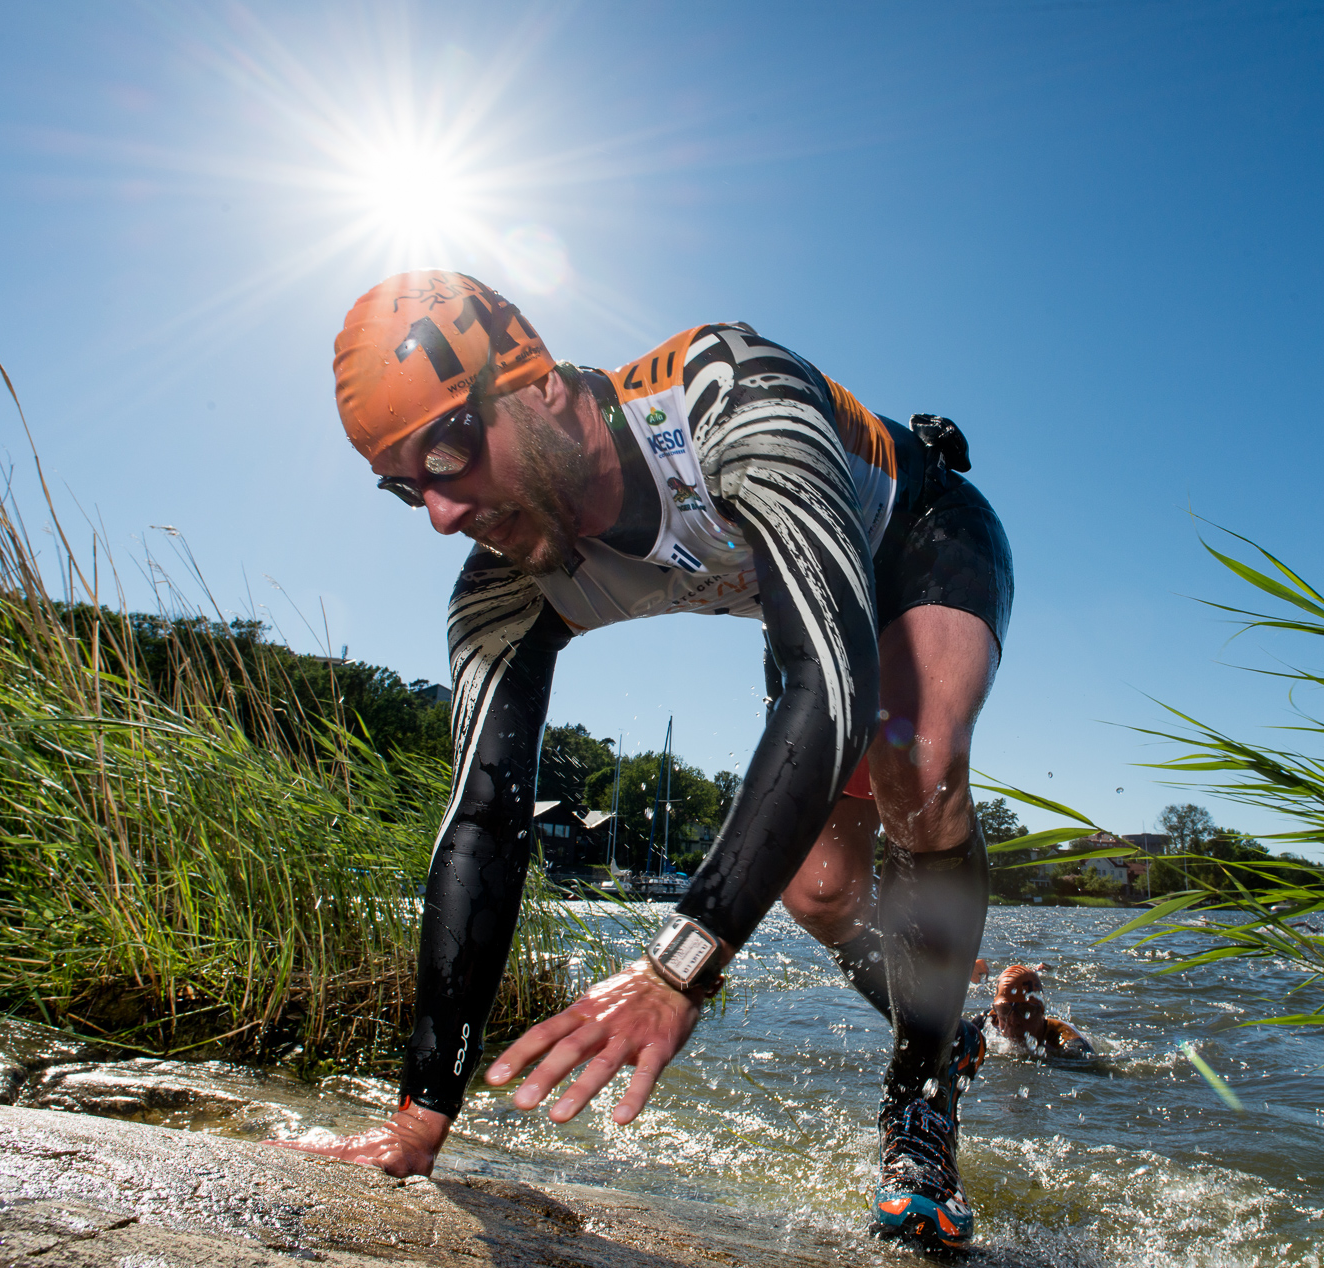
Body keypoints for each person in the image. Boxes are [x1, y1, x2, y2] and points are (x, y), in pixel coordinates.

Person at [273, 272, 1013, 1252]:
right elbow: (483, 820)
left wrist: (680, 965)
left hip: (916, 532)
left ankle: (920, 1114)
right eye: (406, 484)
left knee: (914, 763)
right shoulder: (502, 586)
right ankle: (950, 1022)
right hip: (808, 596)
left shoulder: (724, 397)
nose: (440, 513)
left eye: (448, 450)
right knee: (820, 892)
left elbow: (829, 685)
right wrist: (421, 1109)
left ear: (535, 382)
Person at [972, 965, 1094, 1058]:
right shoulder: (989, 1019)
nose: (1014, 1021)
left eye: (1025, 1011)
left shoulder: (1068, 1042)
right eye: (1005, 1010)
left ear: (1041, 1012)